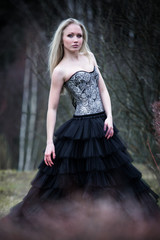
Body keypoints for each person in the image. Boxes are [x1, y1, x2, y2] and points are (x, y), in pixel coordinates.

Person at [9, 18, 159, 220]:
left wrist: (109, 117)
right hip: (81, 128)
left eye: (79, 35)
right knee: (76, 181)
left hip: (103, 126)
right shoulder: (59, 70)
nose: (75, 39)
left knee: (114, 178)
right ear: (62, 39)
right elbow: (51, 108)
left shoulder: (90, 57)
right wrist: (49, 142)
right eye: (70, 35)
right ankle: (80, 222)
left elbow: (103, 90)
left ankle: (115, 222)